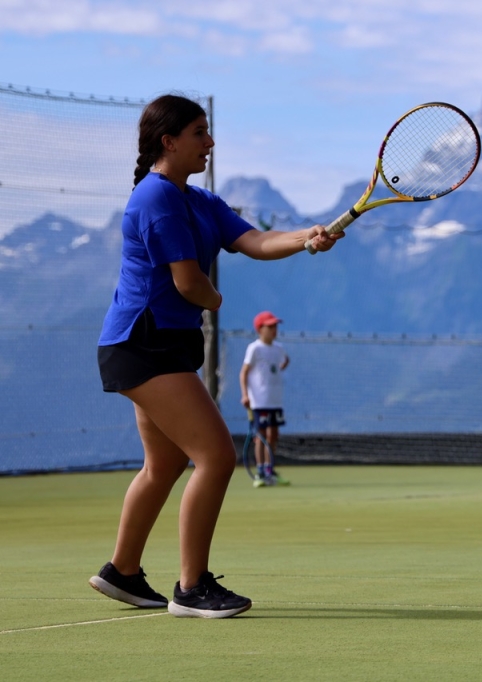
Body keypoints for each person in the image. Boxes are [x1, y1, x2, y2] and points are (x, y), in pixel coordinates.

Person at [88, 94, 341, 618]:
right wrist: (216, 299)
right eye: (200, 133)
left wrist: (306, 237)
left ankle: (123, 572)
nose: (211, 142)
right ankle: (192, 587)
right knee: (218, 456)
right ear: (169, 141)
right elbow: (188, 284)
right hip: (144, 345)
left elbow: (254, 239)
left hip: (155, 345)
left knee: (165, 464)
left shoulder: (199, 201)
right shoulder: (155, 197)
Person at [240, 310, 290, 487]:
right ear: (260, 329)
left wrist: (283, 364)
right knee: (260, 436)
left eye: (275, 326)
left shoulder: (279, 348)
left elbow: (282, 362)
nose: (274, 329)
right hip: (259, 402)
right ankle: (260, 472)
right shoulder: (254, 348)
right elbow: (244, 372)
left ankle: (270, 470)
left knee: (273, 435)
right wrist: (245, 394)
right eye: (270, 326)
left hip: (275, 401)